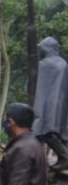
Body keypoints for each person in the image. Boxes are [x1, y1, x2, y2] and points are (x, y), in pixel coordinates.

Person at [33, 36, 68, 171]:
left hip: (45, 105)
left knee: (44, 131)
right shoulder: (64, 64)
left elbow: (32, 84)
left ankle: (63, 157)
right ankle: (62, 157)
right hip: (62, 104)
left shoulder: (43, 65)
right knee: (57, 131)